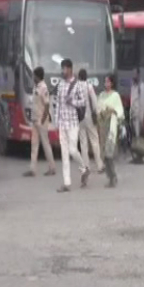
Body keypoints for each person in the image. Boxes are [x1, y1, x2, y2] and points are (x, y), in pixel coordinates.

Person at [55, 59, 90, 192]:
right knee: (64, 154)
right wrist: (57, 122)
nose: (63, 71)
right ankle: (66, 183)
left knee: (72, 150)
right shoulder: (60, 84)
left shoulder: (78, 85)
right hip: (62, 123)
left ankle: (83, 168)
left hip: (73, 122)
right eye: (62, 69)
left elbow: (83, 102)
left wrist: (73, 102)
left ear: (70, 69)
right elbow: (58, 103)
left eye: (64, 69)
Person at [24, 67, 56, 177]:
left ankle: (52, 167)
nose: (33, 78)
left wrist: (43, 119)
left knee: (45, 144)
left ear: (38, 76)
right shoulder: (36, 87)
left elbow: (47, 104)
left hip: (41, 120)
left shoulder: (43, 88)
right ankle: (32, 169)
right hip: (34, 120)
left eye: (34, 76)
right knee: (34, 144)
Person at [97, 75, 124, 187]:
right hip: (102, 126)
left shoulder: (115, 96)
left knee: (109, 153)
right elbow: (98, 108)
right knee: (103, 154)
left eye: (108, 82)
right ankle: (110, 176)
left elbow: (119, 110)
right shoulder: (101, 95)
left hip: (111, 126)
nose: (106, 84)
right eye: (105, 81)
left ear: (112, 83)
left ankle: (113, 177)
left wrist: (112, 111)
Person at [77, 69, 104, 174]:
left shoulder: (76, 87)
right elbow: (94, 101)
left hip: (80, 118)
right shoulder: (89, 87)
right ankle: (99, 165)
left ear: (79, 77)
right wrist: (97, 114)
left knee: (83, 143)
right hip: (89, 117)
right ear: (86, 77)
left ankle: (86, 166)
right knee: (94, 140)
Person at [130, 68, 144, 139]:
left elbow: (142, 102)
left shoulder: (142, 86)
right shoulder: (133, 86)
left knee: (138, 130)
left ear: (138, 75)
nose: (134, 76)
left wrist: (141, 116)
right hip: (133, 111)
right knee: (134, 130)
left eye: (135, 74)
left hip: (139, 112)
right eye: (133, 74)